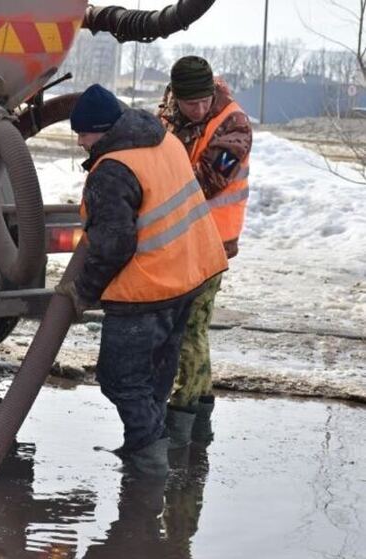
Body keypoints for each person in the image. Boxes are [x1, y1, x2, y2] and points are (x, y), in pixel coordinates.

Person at [56, 84, 228, 477]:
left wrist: (82, 292)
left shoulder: (112, 170)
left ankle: (149, 461)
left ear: (103, 128)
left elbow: (112, 246)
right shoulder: (162, 140)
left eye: (85, 134)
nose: (82, 143)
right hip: (189, 277)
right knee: (157, 372)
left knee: (119, 377)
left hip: (146, 289)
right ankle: (150, 448)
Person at [158, 56, 253, 448]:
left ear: (212, 93)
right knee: (192, 330)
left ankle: (179, 417)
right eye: (188, 104)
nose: (196, 110)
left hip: (213, 243)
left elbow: (207, 181)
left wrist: (152, 183)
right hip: (178, 241)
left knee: (189, 330)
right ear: (176, 97)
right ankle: (199, 421)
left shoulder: (234, 124)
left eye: (202, 102)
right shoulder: (167, 115)